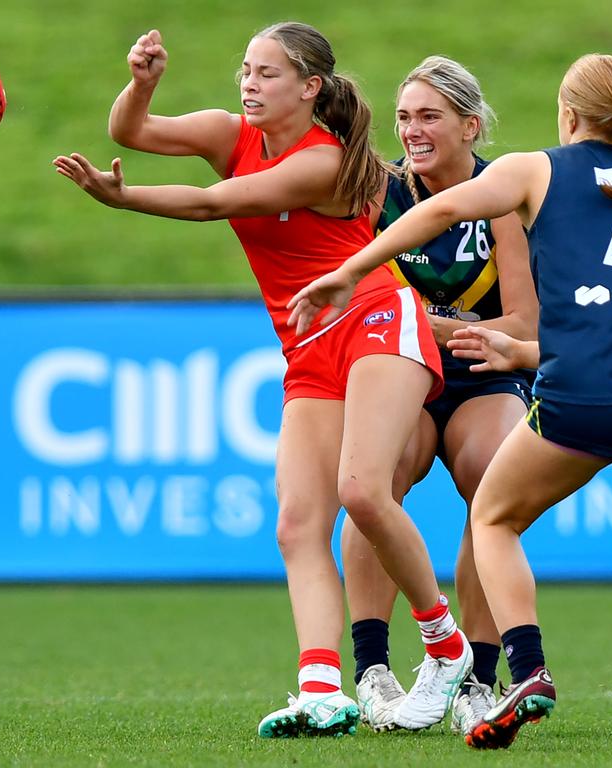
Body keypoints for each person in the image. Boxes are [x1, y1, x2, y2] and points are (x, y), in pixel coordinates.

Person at [287, 53, 612, 751]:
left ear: (566, 114)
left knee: (494, 517)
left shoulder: (533, 170)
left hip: (584, 388)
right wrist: (525, 350)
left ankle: (522, 672)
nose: (412, 129)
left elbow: (448, 211)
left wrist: (349, 270)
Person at [52, 22, 473, 739]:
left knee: (362, 491)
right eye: (245, 70)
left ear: (310, 88)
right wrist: (143, 82)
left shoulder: (324, 160)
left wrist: (124, 201)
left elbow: (218, 204)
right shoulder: (228, 131)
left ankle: (446, 644)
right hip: (308, 344)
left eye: (267, 73)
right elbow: (132, 129)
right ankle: (321, 690)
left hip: (374, 318)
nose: (249, 84)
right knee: (296, 522)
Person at [342, 56, 538, 735]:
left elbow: (524, 326)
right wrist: (446, 330)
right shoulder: (382, 191)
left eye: (429, 117)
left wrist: (435, 324)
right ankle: (372, 670)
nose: (412, 131)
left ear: (470, 125)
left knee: (493, 481)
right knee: (377, 477)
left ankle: (478, 678)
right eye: (403, 117)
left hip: (487, 375)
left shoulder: (502, 192)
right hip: (405, 367)